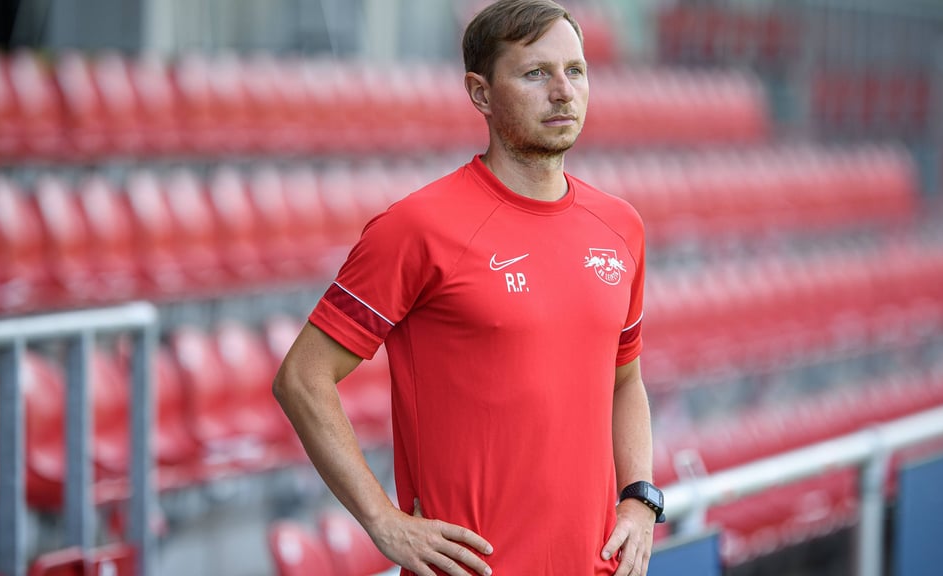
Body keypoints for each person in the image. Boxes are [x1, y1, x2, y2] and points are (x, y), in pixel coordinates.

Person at [272, 1, 660, 574]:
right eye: (535, 73)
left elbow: (624, 379)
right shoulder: (416, 227)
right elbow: (302, 378)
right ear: (480, 93)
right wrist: (384, 521)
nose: (562, 91)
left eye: (575, 71)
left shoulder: (621, 226)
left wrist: (640, 497)